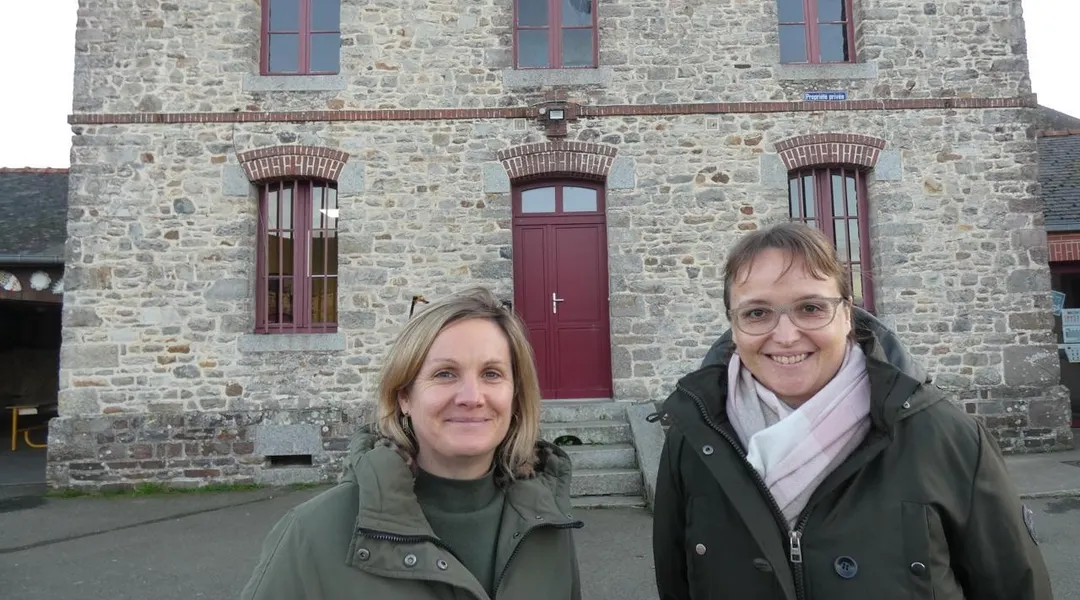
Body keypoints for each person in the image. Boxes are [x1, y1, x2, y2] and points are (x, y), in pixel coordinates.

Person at [652, 222, 1052, 600]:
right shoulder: (693, 441)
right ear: (734, 327)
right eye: (757, 313)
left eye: (810, 307)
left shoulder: (947, 437)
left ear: (847, 314)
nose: (786, 336)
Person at [241, 287, 583, 600]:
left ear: (516, 396)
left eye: (492, 374)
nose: (472, 397)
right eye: (445, 373)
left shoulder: (546, 525)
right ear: (404, 395)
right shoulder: (311, 535)